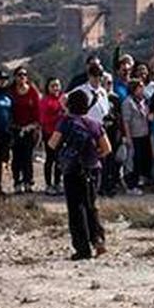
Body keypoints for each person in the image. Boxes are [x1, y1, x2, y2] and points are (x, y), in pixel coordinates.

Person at [48, 88, 110, 260]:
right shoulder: (95, 124)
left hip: (72, 170)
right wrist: (93, 156)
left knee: (76, 209)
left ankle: (82, 249)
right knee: (91, 205)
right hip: (92, 168)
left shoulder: (66, 122)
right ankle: (98, 240)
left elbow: (53, 144)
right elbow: (107, 148)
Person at [7, 69, 42, 194]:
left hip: (30, 129)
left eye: (24, 75)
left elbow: (38, 112)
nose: (22, 77)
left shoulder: (33, 92)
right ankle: (17, 182)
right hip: (15, 129)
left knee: (28, 157)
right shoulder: (10, 92)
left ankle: (28, 181)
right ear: (15, 77)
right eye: (19, 75)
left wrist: (33, 126)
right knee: (16, 157)